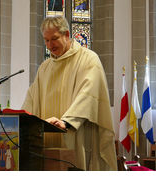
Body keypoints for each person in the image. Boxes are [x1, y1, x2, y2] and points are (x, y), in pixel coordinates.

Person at [22, 16, 117, 171]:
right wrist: (22, 121)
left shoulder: (88, 59)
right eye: (46, 40)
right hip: (47, 142)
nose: (49, 45)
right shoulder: (44, 67)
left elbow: (88, 96)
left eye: (54, 39)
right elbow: (32, 99)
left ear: (66, 34)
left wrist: (66, 122)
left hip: (75, 135)